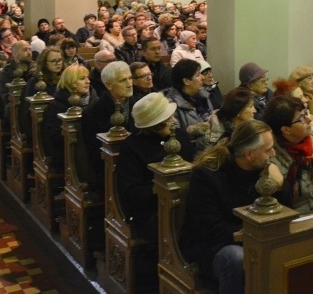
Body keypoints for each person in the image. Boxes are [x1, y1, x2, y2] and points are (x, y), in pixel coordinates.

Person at [179, 119, 282, 294]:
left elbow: (284, 209)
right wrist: (252, 234)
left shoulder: (263, 169)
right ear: (249, 154)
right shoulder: (207, 175)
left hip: (256, 237)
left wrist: (279, 183)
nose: (273, 154)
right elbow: (210, 228)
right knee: (236, 259)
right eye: (268, 150)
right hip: (213, 246)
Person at [116, 92, 194, 290]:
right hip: (150, 212)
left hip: (185, 204)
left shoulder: (180, 136)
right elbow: (131, 193)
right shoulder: (132, 148)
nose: (174, 121)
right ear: (154, 125)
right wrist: (162, 189)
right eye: (168, 119)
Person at [263, 96, 313, 214]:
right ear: (286, 130)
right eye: (301, 118)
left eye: (306, 112)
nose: (309, 120)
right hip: (295, 221)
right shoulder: (270, 157)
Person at [43, 64, 96, 174]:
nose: (88, 81)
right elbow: (54, 137)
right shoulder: (57, 105)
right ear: (70, 83)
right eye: (82, 78)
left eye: (88, 78)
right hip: (69, 154)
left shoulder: (95, 100)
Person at [166, 58, 213, 133]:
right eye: (198, 75)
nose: (203, 78)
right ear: (186, 81)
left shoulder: (203, 96)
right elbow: (177, 135)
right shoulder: (172, 106)